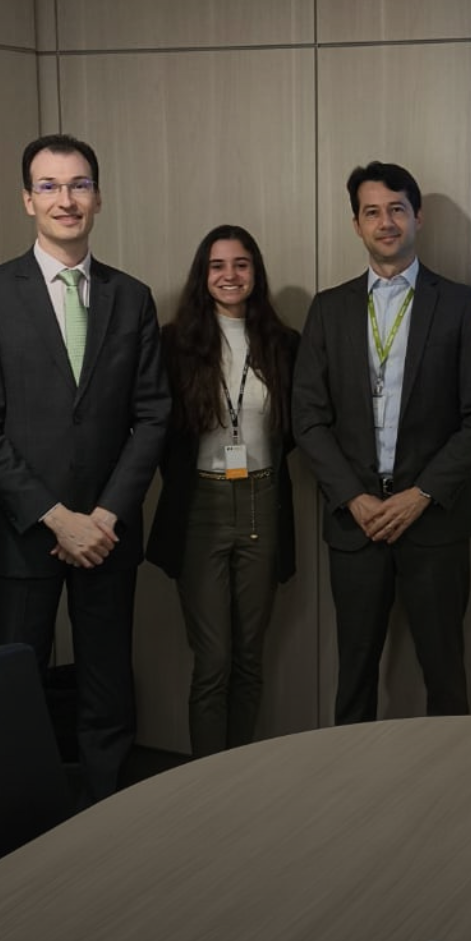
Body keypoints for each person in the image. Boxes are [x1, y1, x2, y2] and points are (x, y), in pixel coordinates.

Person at [0, 134, 169, 802]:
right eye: (48, 186)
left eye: (79, 185)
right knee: (10, 687)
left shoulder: (131, 297)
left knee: (107, 687)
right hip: (21, 528)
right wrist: (56, 517)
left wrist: (102, 516)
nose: (65, 199)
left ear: (98, 197)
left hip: (107, 531)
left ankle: (107, 815)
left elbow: (153, 415)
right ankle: (16, 820)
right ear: (28, 200)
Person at [292, 160, 471, 721]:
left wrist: (420, 494)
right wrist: (353, 498)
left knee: (445, 674)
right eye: (372, 212)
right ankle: (351, 776)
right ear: (356, 224)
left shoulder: (458, 304)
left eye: (396, 210)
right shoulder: (328, 308)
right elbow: (307, 419)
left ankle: (450, 774)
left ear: (417, 217)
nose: (385, 222)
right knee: (354, 674)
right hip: (355, 524)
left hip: (433, 522)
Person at [147, 226, 297, 756]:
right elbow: (156, 430)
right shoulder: (174, 343)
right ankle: (206, 781)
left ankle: (241, 777)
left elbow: (296, 430)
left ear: (256, 272)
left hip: (263, 500)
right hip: (200, 505)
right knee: (213, 660)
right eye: (217, 266)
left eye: (241, 264)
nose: (230, 276)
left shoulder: (283, 344)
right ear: (202, 275)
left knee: (250, 657)